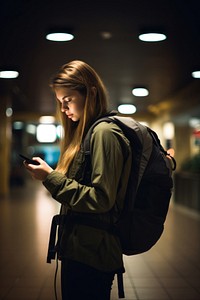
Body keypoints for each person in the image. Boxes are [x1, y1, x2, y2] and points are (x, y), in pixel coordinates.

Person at [24, 60, 132, 300]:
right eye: (60, 102)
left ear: (91, 93)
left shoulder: (105, 134)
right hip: (81, 249)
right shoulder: (87, 134)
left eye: (68, 100)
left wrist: (51, 178)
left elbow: (101, 199)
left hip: (93, 254)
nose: (63, 109)